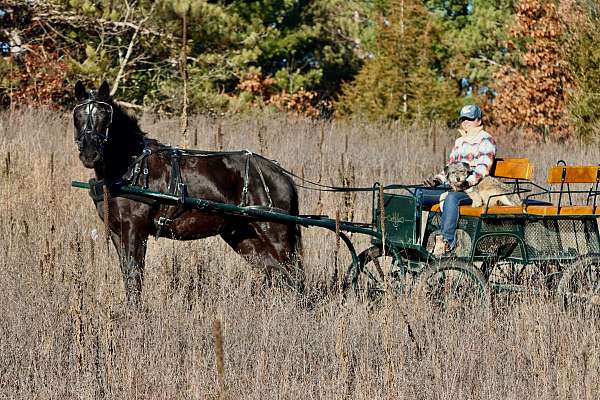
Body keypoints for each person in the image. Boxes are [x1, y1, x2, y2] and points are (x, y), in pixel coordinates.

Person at [419, 104, 497, 256]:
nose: (466, 122)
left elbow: (483, 167)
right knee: (419, 193)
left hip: (474, 189)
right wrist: (437, 180)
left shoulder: (486, 140)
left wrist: (468, 181)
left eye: (470, 118)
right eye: (463, 119)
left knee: (452, 197)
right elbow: (450, 168)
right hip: (454, 184)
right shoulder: (460, 142)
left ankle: (447, 242)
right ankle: (415, 243)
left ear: (478, 120)